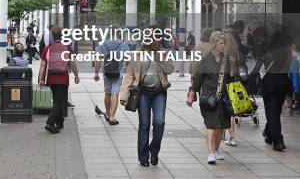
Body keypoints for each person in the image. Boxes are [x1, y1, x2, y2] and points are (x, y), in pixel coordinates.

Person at [120, 29, 174, 167]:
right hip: (142, 92)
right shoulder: (137, 54)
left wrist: (158, 57)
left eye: (159, 37)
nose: (158, 40)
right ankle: (143, 157)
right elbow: (129, 75)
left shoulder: (163, 53)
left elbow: (170, 70)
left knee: (159, 123)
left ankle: (154, 150)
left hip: (159, 92)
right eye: (156, 37)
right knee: (144, 125)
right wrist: (124, 95)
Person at [187, 31, 235, 164]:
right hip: (208, 97)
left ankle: (216, 149)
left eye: (224, 43)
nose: (224, 45)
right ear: (214, 44)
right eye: (221, 43)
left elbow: (232, 79)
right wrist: (192, 93)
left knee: (221, 126)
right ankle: (210, 153)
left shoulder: (227, 60)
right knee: (211, 125)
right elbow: (198, 80)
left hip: (223, 98)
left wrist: (233, 67)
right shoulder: (206, 60)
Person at [38, 25, 80, 134]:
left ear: (52, 35)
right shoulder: (67, 47)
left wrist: (41, 79)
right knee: (59, 101)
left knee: (58, 99)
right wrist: (76, 75)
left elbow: (43, 64)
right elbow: (72, 63)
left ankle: (60, 122)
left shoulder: (48, 47)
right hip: (63, 78)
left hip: (51, 78)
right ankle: (50, 123)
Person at [259, 26, 293, 152]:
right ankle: (269, 133)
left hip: (269, 81)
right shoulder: (287, 52)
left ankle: (277, 140)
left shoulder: (267, 50)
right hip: (283, 81)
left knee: (271, 111)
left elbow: (259, 66)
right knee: (276, 110)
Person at [94, 35, 129, 125]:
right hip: (118, 73)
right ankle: (112, 117)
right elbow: (128, 59)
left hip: (107, 72)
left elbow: (98, 59)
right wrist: (126, 68)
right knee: (115, 94)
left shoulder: (104, 44)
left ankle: (108, 113)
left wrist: (96, 73)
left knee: (107, 93)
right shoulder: (124, 45)